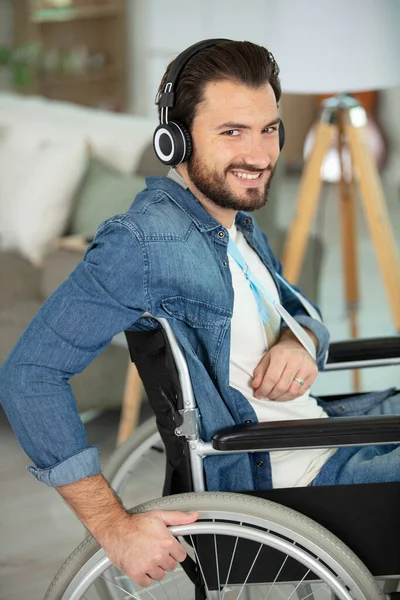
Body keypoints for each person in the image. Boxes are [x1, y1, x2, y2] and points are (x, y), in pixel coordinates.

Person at [0, 39, 399, 588]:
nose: (260, 155)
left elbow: (295, 307)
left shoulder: (234, 223)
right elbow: (29, 375)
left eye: (269, 129)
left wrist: (298, 340)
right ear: (176, 139)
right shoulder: (145, 244)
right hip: (292, 476)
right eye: (232, 132)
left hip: (324, 435)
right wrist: (112, 525)